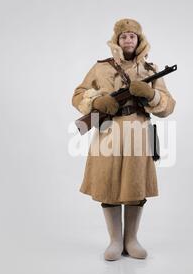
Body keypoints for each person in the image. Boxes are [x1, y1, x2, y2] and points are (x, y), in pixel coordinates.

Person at [71, 18, 176, 261]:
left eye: (132, 35)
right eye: (124, 35)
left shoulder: (151, 70)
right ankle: (115, 242)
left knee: (135, 185)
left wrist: (151, 94)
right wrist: (96, 102)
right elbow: (78, 94)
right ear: (117, 40)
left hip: (139, 132)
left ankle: (132, 240)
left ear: (139, 40)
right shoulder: (101, 68)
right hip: (108, 130)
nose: (128, 39)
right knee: (107, 185)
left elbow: (168, 106)